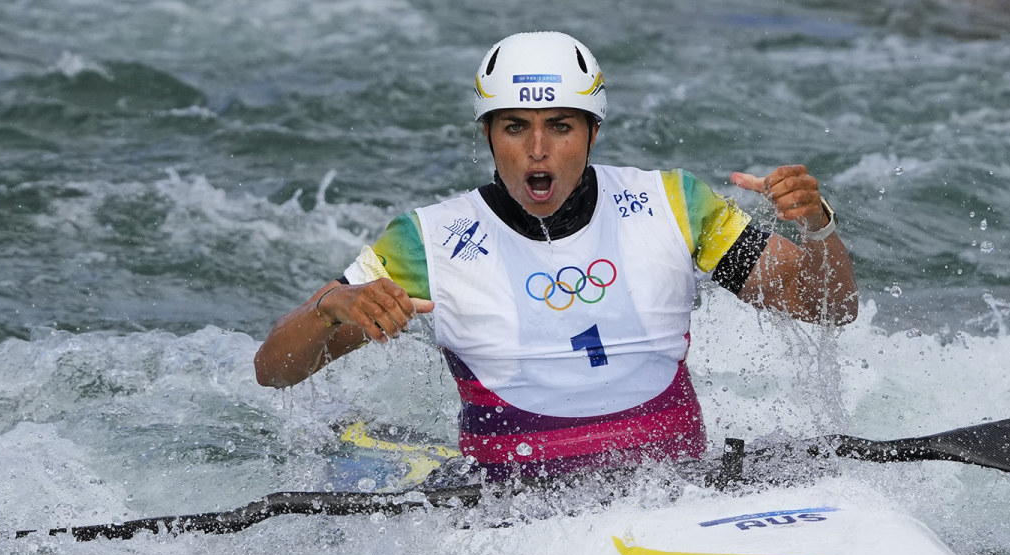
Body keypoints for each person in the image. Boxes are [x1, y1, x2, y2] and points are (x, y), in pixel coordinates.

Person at [255, 31, 858, 480]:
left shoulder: (676, 203)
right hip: (512, 511)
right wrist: (334, 306)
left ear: (594, 133)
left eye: (561, 127)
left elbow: (829, 309)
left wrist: (817, 230)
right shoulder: (426, 240)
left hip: (679, 492)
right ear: (487, 135)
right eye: (515, 127)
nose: (538, 151)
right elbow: (275, 370)